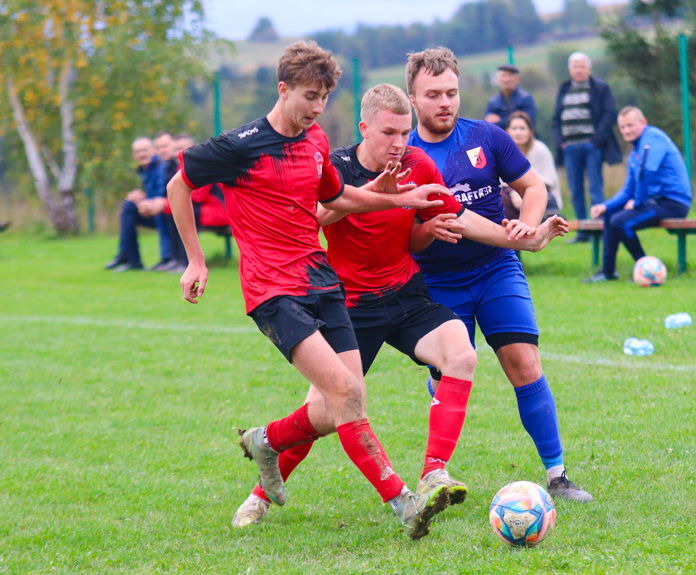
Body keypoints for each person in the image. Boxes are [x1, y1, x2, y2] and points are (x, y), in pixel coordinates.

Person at [230, 83, 569, 528]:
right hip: (348, 305)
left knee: (461, 354)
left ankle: (433, 473)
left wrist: (524, 237)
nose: (399, 144)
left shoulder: (417, 162)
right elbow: (307, 219)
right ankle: (263, 475)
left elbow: (457, 216)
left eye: (406, 132)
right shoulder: (335, 167)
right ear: (364, 128)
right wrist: (370, 193)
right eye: (389, 133)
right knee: (328, 411)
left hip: (406, 295)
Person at [167, 41, 459, 540]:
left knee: (337, 403)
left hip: (322, 283)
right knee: (346, 393)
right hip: (273, 291)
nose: (317, 108)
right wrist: (196, 259)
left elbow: (337, 195)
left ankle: (266, 440)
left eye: (324, 97)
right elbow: (180, 185)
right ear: (283, 90)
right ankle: (403, 503)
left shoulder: (316, 139)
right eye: (309, 96)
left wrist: (400, 195)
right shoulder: (240, 145)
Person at [405, 47, 594, 502]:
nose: (445, 102)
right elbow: (404, 240)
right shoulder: (404, 156)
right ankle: (436, 474)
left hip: (495, 269)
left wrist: (527, 224)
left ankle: (557, 475)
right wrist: (428, 230)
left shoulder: (487, 137)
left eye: (452, 92)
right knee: (449, 372)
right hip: (438, 282)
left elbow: (534, 187)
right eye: (433, 95)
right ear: (413, 98)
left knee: (523, 362)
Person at [583, 106, 692, 283]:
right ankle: (607, 272)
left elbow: (646, 173)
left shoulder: (653, 138)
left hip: (673, 202)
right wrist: (605, 206)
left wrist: (638, 201)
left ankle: (646, 269)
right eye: (622, 127)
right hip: (655, 202)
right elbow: (628, 191)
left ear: (644, 122)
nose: (626, 130)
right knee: (610, 216)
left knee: (621, 222)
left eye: (630, 125)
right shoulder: (635, 152)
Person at [552, 52, 622, 243]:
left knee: (595, 188)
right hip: (569, 148)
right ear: (570, 70)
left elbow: (610, 113)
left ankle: (599, 229)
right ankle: (583, 232)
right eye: (575, 66)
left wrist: (596, 140)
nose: (579, 69)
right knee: (575, 190)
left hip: (592, 146)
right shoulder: (564, 89)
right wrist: (561, 142)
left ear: (589, 69)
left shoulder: (600, 88)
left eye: (582, 66)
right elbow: (556, 118)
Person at [161, 134, 229, 271]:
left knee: (182, 212)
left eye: (181, 148)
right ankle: (176, 259)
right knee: (174, 212)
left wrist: (164, 204)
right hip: (205, 209)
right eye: (175, 149)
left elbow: (198, 196)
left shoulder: (199, 164)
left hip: (218, 211)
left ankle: (185, 261)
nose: (178, 152)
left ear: (192, 147)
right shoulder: (178, 167)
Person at [104, 137, 170, 272]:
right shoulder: (144, 170)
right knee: (129, 205)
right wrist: (140, 198)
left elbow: (163, 194)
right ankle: (129, 257)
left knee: (132, 208)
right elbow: (153, 194)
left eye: (144, 150)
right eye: (138, 151)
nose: (141, 154)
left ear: (153, 150)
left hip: (166, 210)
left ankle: (166, 259)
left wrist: (146, 202)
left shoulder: (161, 167)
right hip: (154, 208)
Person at [502, 111, 563, 220]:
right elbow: (499, 181)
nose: (518, 133)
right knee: (502, 199)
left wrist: (525, 194)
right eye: (514, 128)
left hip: (540, 193)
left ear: (530, 131)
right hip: (510, 195)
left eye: (522, 128)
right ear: (507, 131)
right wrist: (513, 193)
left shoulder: (540, 149)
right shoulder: (502, 150)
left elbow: (547, 181)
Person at [484, 64, 537, 130]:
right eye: (503, 76)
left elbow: (528, 122)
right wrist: (516, 118)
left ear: (517, 79)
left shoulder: (525, 98)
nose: (507, 79)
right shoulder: (493, 101)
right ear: (497, 79)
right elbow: (489, 125)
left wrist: (500, 122)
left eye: (510, 76)